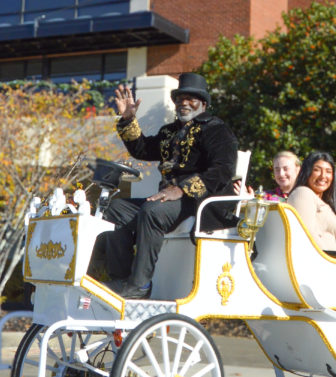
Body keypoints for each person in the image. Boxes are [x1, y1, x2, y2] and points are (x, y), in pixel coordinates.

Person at [101, 73, 238, 299]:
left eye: (191, 98)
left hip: (199, 202)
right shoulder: (169, 132)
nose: (184, 102)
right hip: (169, 201)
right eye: (180, 98)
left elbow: (223, 170)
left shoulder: (216, 129)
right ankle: (121, 280)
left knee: (152, 211)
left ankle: (140, 285)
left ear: (203, 104)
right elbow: (142, 150)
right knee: (116, 209)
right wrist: (127, 120)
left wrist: (182, 188)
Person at [287, 151, 336, 252]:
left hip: (327, 264)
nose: (323, 176)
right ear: (307, 172)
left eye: (328, 171)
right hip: (317, 264)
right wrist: (327, 260)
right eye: (317, 170)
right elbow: (307, 233)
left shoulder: (325, 203)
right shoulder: (302, 192)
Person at [234, 151, 301, 201]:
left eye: (286, 169)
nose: (281, 174)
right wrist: (250, 202)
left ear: (298, 170)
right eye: (277, 170)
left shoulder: (305, 194)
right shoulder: (264, 197)